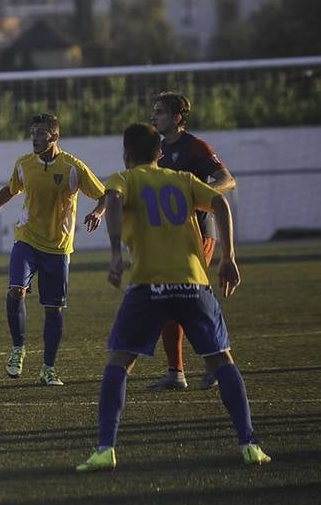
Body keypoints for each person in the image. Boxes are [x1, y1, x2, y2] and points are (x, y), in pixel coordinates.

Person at [75, 122, 271, 472]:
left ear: (126, 153)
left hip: (149, 284)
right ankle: (249, 444)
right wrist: (228, 258)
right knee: (222, 360)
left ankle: (105, 449)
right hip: (193, 284)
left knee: (119, 360)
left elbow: (114, 199)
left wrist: (116, 253)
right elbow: (221, 204)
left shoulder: (124, 178)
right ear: (159, 153)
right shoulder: (182, 180)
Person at [0, 112, 105, 386]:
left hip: (58, 247)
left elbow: (103, 194)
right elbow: (10, 190)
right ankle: (18, 348)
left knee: (53, 309)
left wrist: (99, 212)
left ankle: (48, 368)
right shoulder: (24, 165)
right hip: (26, 240)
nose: (35, 137)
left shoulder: (72, 167)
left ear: (55, 136)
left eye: (41, 132)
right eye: (33, 132)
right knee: (15, 290)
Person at [147, 91, 237, 391]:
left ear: (177, 118)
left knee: (190, 300)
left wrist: (200, 196)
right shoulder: (158, 150)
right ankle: (176, 372)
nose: (153, 116)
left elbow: (227, 179)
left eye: (159, 112)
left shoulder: (195, 147)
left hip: (200, 234)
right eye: (154, 111)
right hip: (169, 238)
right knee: (168, 301)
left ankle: (218, 363)